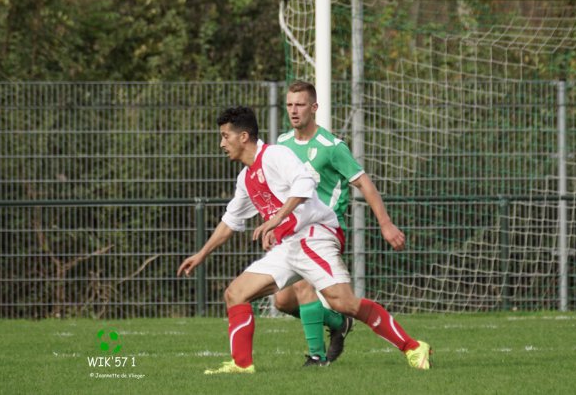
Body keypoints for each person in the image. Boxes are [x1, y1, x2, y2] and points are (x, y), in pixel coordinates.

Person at [177, 106, 431, 375]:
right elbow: (230, 221)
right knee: (236, 293)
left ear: (243, 137)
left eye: (225, 136)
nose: (221, 143)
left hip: (314, 235)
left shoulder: (275, 155)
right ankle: (242, 365)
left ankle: (414, 347)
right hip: (289, 244)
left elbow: (305, 184)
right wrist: (201, 254)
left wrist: (277, 219)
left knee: (343, 303)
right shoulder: (246, 178)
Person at [273, 80, 407, 366]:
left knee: (303, 287)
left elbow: (365, 183)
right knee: (282, 301)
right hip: (293, 232)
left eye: (300, 105)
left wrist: (386, 224)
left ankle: (316, 357)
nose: (293, 110)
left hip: (324, 230)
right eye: (289, 104)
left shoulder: (331, 147)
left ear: (314, 107)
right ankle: (338, 322)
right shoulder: (282, 145)